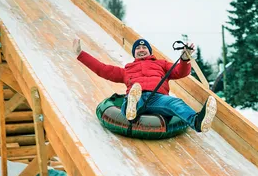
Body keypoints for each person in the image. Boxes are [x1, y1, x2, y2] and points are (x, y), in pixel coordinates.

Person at [73, 38, 217, 133]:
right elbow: (103, 70)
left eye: (144, 47)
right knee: (132, 97)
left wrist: (185, 59)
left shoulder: (161, 64)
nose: (141, 49)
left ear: (149, 51)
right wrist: (81, 54)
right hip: (138, 96)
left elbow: (180, 72)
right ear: (134, 53)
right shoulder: (127, 70)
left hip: (158, 98)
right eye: (138, 48)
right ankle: (131, 108)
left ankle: (197, 121)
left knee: (176, 102)